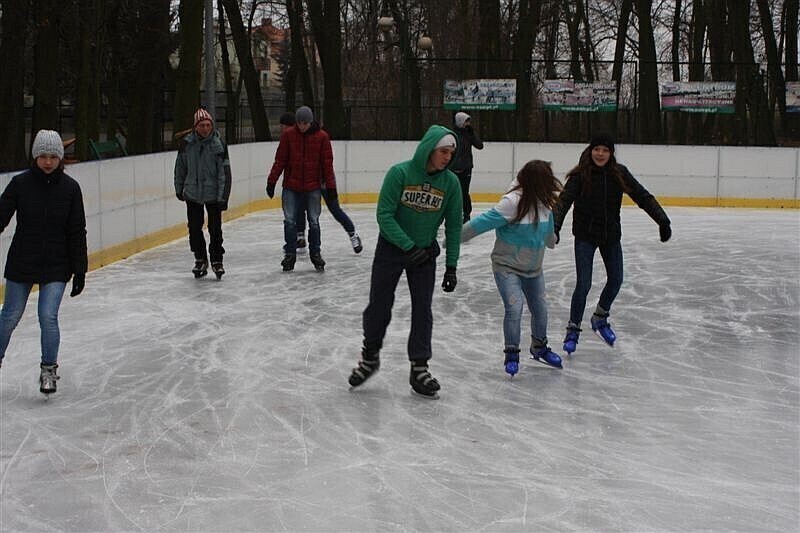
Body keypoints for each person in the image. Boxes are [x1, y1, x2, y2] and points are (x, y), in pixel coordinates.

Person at [348, 125, 462, 399]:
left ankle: (419, 367)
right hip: (391, 249)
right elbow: (384, 215)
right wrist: (408, 246)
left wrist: (451, 266)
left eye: (451, 153)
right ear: (430, 149)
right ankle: (370, 356)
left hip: (424, 254)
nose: (447, 157)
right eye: (443, 151)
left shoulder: (451, 183)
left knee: (423, 309)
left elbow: (454, 226)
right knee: (379, 305)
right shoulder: (399, 173)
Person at [554, 133, 672, 355]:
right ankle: (573, 329)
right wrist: (554, 227)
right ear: (590, 151)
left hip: (610, 236)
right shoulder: (580, 175)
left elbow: (643, 197)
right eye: (597, 149)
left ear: (611, 153)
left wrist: (662, 220)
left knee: (616, 279)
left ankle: (600, 317)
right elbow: (563, 202)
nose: (600, 154)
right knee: (584, 284)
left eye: (605, 150)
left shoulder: (619, 173)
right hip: (585, 236)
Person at [0, 130, 87, 395]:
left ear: (60, 158)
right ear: (35, 157)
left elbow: (76, 231)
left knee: (48, 316)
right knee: (9, 316)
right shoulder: (20, 184)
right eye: (42, 156)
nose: (48, 162)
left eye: (53, 156)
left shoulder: (70, 189)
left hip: (57, 264)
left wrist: (80, 270)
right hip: (22, 261)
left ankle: (48, 370)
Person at [461, 160, 563, 376]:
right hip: (507, 267)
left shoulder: (545, 204)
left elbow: (548, 231)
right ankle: (512, 354)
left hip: (534, 269)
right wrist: (453, 239)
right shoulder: (512, 203)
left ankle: (539, 346)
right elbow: (481, 223)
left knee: (541, 309)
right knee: (514, 308)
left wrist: (552, 239)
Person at [278, 112, 363, 255]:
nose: (282, 129)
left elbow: (326, 162)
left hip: (323, 180)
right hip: (307, 182)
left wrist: (330, 185)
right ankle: (300, 237)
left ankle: (353, 234)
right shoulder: (292, 138)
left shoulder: (317, 136)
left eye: (284, 126)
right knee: (300, 207)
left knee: (335, 209)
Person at [266, 106, 335, 272]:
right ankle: (290, 254)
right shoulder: (288, 136)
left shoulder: (322, 137)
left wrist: (330, 187)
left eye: (305, 123)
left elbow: (327, 164)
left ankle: (315, 253)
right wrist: (272, 181)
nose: (302, 126)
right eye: (299, 123)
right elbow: (280, 160)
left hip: (313, 186)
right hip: (291, 186)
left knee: (314, 221)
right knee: (289, 221)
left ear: (311, 122)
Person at [174, 107, 232, 280]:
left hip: (213, 194)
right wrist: (179, 188)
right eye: (202, 125)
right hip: (192, 193)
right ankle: (200, 259)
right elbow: (180, 168)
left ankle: (217, 260)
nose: (205, 129)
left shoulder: (219, 144)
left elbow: (224, 173)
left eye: (208, 125)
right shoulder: (186, 144)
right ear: (195, 127)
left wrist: (223, 197)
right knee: (194, 228)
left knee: (215, 230)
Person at [451, 111, 484, 222]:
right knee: (453, 193)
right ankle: (451, 214)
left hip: (466, 168)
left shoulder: (469, 134)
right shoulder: (452, 134)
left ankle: (466, 214)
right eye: (466, 121)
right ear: (460, 122)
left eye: (468, 121)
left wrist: (472, 133)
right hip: (453, 168)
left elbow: (480, 146)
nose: (468, 123)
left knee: (464, 192)